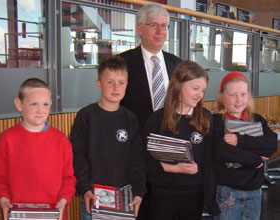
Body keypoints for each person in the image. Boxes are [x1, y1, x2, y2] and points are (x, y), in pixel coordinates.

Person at [70, 56, 146, 220]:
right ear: (99, 84)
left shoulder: (130, 119)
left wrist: (139, 192)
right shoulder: (86, 116)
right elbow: (78, 155)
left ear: (127, 85)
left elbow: (137, 160)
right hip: (94, 195)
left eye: (121, 82)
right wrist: (85, 188)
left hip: (124, 195)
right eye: (110, 82)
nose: (116, 87)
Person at [0, 78, 76, 220]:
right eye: (34, 104)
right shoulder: (6, 139)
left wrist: (63, 201)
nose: (40, 110)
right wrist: (4, 200)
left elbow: (68, 179)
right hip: (19, 214)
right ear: (19, 104)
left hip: (54, 214)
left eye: (45, 104)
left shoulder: (61, 140)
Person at [143, 60, 218, 220]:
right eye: (195, 88)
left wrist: (211, 199)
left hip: (193, 197)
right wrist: (175, 168)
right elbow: (144, 161)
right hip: (162, 196)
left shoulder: (205, 118)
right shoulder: (157, 120)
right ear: (178, 86)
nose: (199, 94)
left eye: (203, 90)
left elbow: (209, 162)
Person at [212, 72, 277, 220]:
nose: (238, 100)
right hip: (227, 192)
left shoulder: (257, 120)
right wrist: (256, 159)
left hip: (254, 192)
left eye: (243, 94)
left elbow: (271, 144)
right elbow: (222, 151)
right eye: (232, 94)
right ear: (222, 96)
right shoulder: (216, 121)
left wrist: (240, 141)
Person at [120, 3, 182, 127]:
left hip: (172, 135)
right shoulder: (122, 62)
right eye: (153, 25)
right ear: (140, 29)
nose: (160, 31)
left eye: (164, 26)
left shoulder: (178, 64)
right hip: (136, 138)